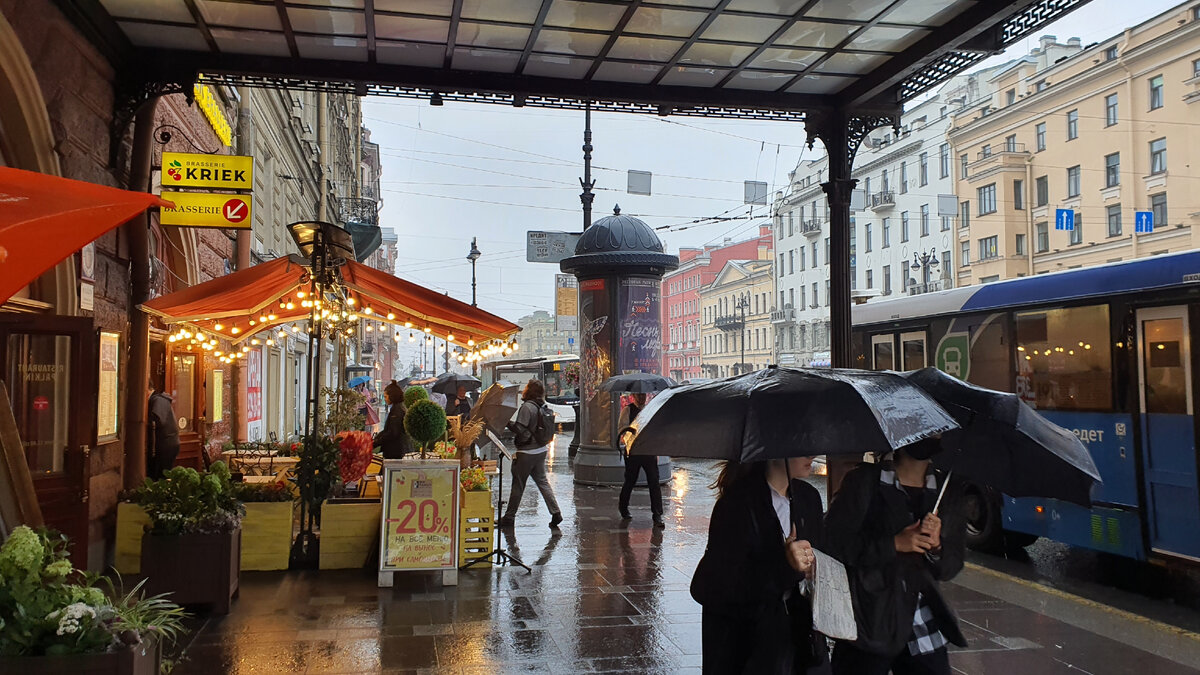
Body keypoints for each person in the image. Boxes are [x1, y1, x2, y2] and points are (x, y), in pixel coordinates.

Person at [824, 437, 967, 675]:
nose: (932, 436)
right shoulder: (864, 482)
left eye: (939, 432)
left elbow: (952, 565)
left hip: (922, 619)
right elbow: (833, 543)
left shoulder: (947, 491)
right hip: (871, 620)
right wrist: (893, 544)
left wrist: (936, 547)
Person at [690, 456, 829, 674]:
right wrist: (786, 566)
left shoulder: (808, 498)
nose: (811, 454)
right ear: (776, 452)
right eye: (801, 446)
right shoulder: (736, 505)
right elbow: (723, 585)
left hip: (801, 639)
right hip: (751, 646)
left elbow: (817, 556)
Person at [500, 379, 563, 529]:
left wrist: (508, 423)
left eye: (527, 386)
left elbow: (520, 429)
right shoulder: (541, 405)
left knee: (518, 485)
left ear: (530, 390)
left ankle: (509, 517)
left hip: (527, 452)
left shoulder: (527, 407)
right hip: (541, 450)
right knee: (542, 482)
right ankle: (556, 512)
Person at [617, 393, 664, 527]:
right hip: (634, 451)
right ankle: (623, 508)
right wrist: (630, 436)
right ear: (633, 396)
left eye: (643, 394)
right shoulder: (628, 410)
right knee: (630, 480)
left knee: (654, 481)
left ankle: (657, 514)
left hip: (649, 451)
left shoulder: (650, 409)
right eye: (639, 395)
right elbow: (622, 430)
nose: (642, 397)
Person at [147, 379, 179, 479]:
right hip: (167, 443)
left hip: (166, 445)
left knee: (161, 477)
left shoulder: (158, 400)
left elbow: (157, 420)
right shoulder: (158, 399)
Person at [374, 381, 413, 459]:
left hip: (396, 451)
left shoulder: (397, 410)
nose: (385, 399)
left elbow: (393, 432)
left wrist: (376, 442)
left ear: (392, 396)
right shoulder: (398, 407)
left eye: (385, 397)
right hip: (398, 449)